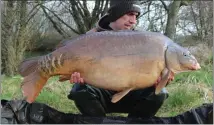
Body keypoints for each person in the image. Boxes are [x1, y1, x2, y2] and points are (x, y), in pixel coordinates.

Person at [67, 1, 172, 118]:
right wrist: (77, 76)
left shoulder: (143, 40)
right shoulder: (90, 38)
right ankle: (100, 122)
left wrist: (161, 79)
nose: (133, 21)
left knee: (159, 93)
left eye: (136, 16)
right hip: (101, 93)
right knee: (79, 90)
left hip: (132, 93)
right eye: (130, 14)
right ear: (116, 14)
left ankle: (135, 122)